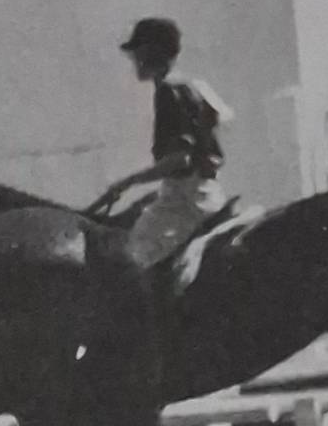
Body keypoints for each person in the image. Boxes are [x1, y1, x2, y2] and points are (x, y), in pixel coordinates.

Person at [90, 17, 236, 270]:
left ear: (149, 53)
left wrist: (126, 182)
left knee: (130, 259)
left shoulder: (169, 90)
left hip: (184, 201)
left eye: (138, 52)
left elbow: (180, 159)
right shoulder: (195, 86)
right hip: (209, 192)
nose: (134, 60)